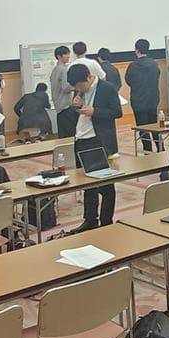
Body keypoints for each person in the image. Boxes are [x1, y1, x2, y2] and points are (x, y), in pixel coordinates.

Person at [67, 64, 122, 231]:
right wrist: (76, 106)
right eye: (76, 87)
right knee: (87, 184)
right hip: (81, 139)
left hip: (98, 141)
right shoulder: (80, 90)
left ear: (88, 77)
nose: (78, 89)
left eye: (80, 85)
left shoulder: (107, 88)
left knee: (105, 184)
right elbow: (78, 113)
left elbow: (117, 112)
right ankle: (90, 220)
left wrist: (95, 111)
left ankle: (106, 221)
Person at [126, 39, 162, 151]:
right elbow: (157, 76)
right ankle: (160, 148)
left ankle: (148, 151)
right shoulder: (154, 64)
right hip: (152, 100)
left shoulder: (133, 66)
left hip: (138, 101)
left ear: (136, 50)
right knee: (154, 126)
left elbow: (128, 80)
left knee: (142, 128)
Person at [50, 46, 76, 139]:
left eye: (68, 54)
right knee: (71, 135)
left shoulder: (55, 69)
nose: (68, 56)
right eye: (65, 54)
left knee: (63, 135)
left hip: (59, 107)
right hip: (65, 106)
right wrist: (77, 87)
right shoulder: (63, 69)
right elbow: (66, 87)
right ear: (59, 56)